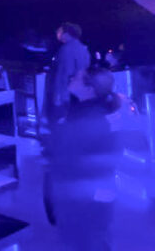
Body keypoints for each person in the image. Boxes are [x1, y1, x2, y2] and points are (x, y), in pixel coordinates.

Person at [46, 67, 122, 251]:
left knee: (89, 242)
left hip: (84, 202)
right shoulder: (85, 113)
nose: (71, 78)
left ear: (89, 89)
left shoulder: (89, 121)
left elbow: (72, 162)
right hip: (82, 200)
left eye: (77, 77)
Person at [49, 22, 91, 123]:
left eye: (59, 31)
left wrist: (58, 96)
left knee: (64, 121)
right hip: (80, 92)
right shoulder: (83, 48)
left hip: (67, 94)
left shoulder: (66, 49)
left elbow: (63, 74)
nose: (57, 33)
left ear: (67, 33)